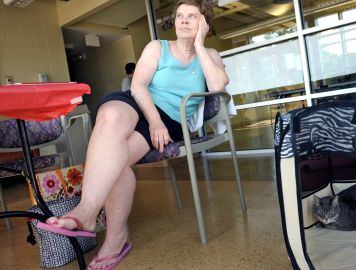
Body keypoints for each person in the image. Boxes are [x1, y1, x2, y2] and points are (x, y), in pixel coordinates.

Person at [36, 0, 228, 269]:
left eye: (192, 16)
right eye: (179, 15)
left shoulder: (209, 54)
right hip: (138, 104)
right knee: (110, 114)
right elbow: (138, 86)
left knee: (117, 162)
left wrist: (198, 44)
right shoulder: (157, 48)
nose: (183, 21)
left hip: (172, 118)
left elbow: (218, 85)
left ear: (204, 21)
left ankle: (115, 238)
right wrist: (153, 122)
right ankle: (87, 211)